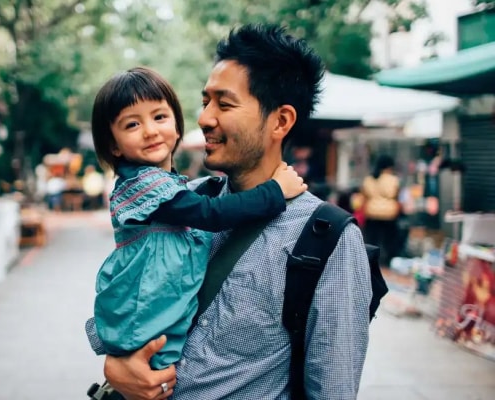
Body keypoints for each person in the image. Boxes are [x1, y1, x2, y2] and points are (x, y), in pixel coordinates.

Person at [92, 24, 372, 400]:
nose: (205, 118)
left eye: (224, 104)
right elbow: (129, 295)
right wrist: (116, 366)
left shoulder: (327, 238)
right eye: (205, 101)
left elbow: (333, 390)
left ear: (281, 121)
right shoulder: (182, 203)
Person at [85, 66, 307, 371]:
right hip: (146, 315)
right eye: (132, 124)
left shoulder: (172, 186)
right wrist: (276, 191)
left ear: (176, 124)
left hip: (158, 315)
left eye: (159, 117)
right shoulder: (145, 185)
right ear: (113, 144)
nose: (150, 130)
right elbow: (212, 215)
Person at [362, 154, 401, 267]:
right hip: (389, 214)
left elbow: (364, 196)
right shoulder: (393, 179)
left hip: (372, 213)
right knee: (389, 240)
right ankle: (388, 262)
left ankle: (371, 262)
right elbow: (396, 196)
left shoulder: (368, 179)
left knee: (372, 240)